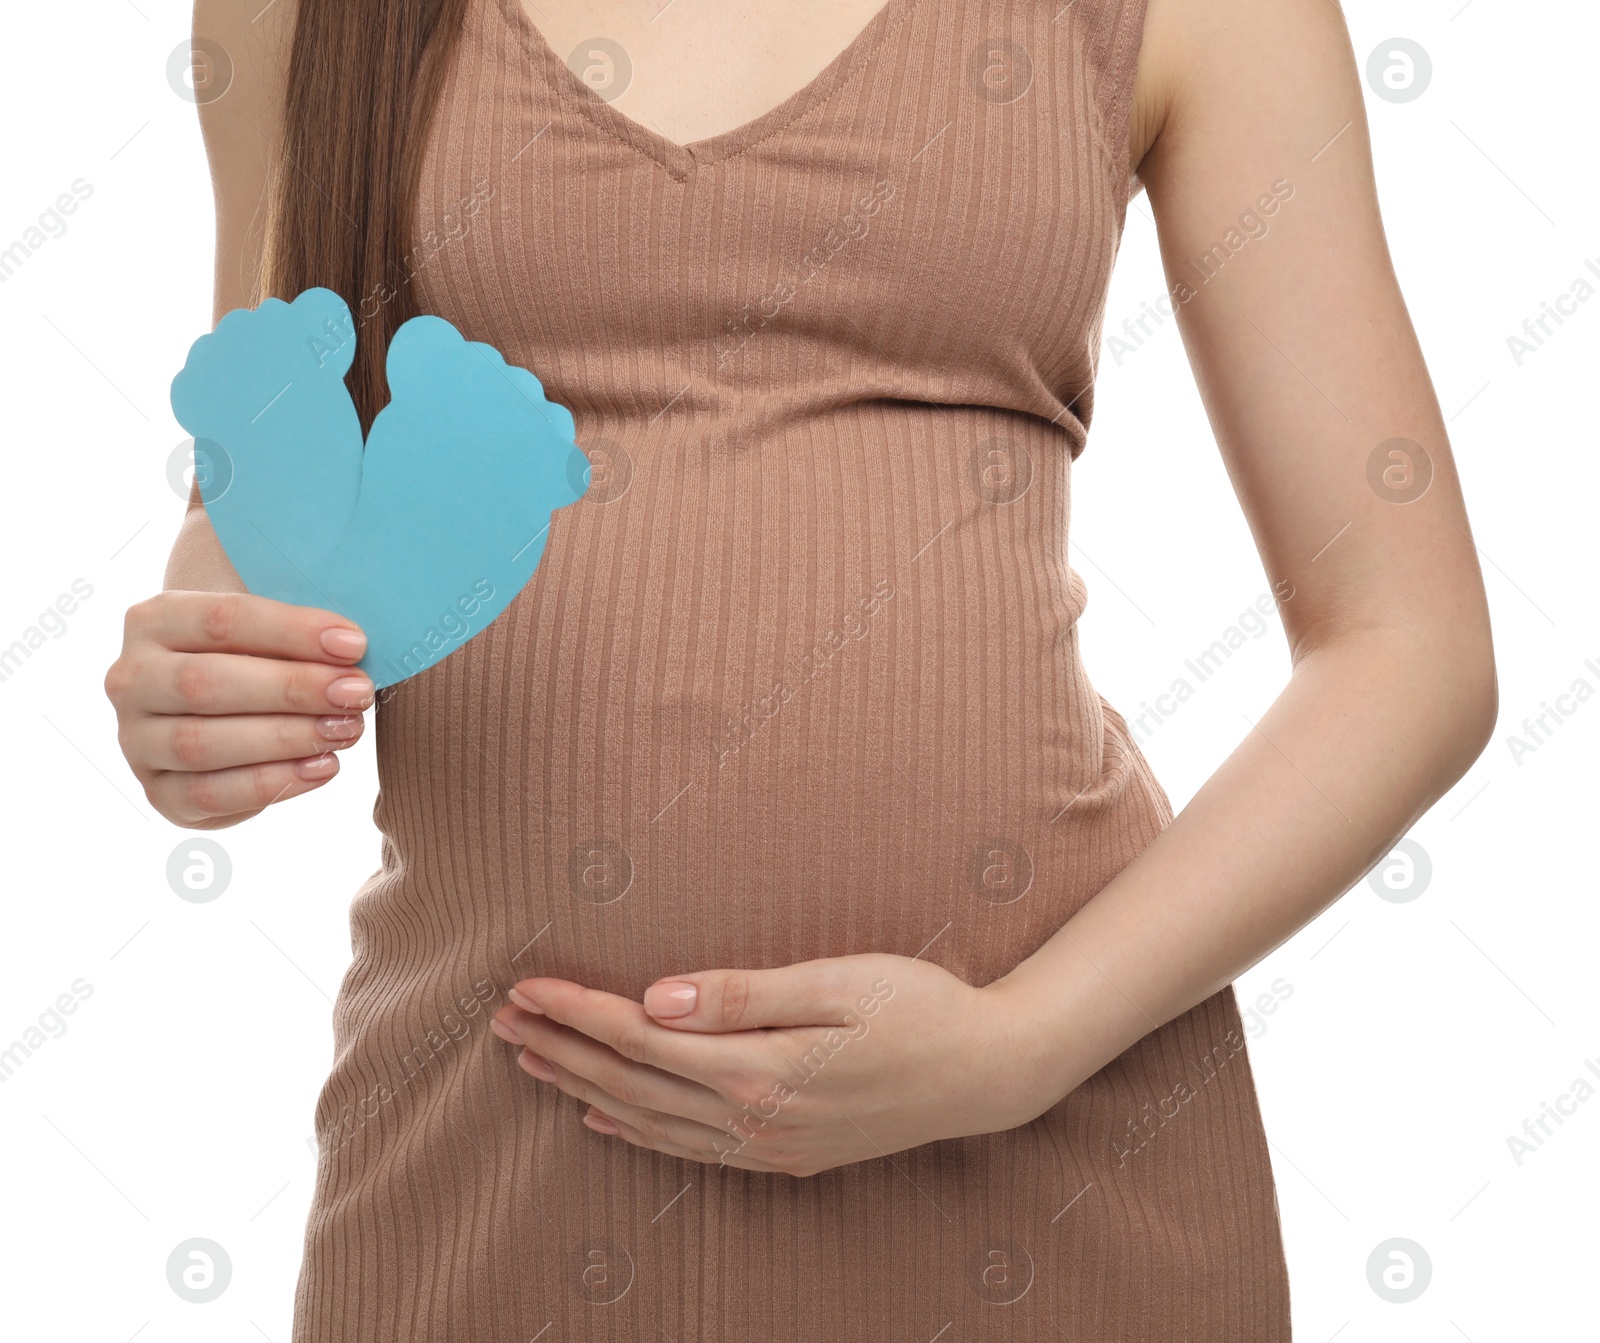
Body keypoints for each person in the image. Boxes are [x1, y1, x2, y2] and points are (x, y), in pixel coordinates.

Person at [105, 0, 1497, 1337]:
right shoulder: (296, 12)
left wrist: (1019, 1049)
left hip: (1048, 1172)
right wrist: (203, 687)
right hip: (494, 1171)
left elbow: (1409, 649)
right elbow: (276, 496)